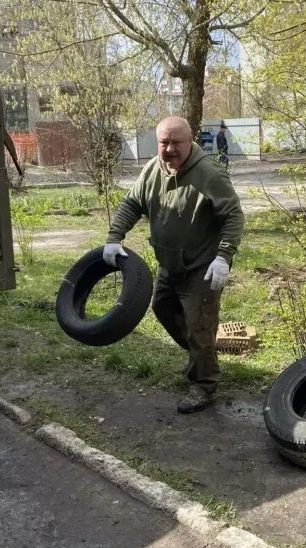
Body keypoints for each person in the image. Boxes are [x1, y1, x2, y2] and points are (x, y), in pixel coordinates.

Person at [103, 116, 244, 413]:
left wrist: (223, 256)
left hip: (202, 267)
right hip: (169, 266)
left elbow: (233, 215)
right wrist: (115, 237)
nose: (169, 149)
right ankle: (200, 357)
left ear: (190, 141)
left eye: (176, 142)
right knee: (163, 309)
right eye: (163, 142)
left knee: (199, 326)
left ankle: (204, 385)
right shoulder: (153, 169)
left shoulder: (209, 174)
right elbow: (132, 203)